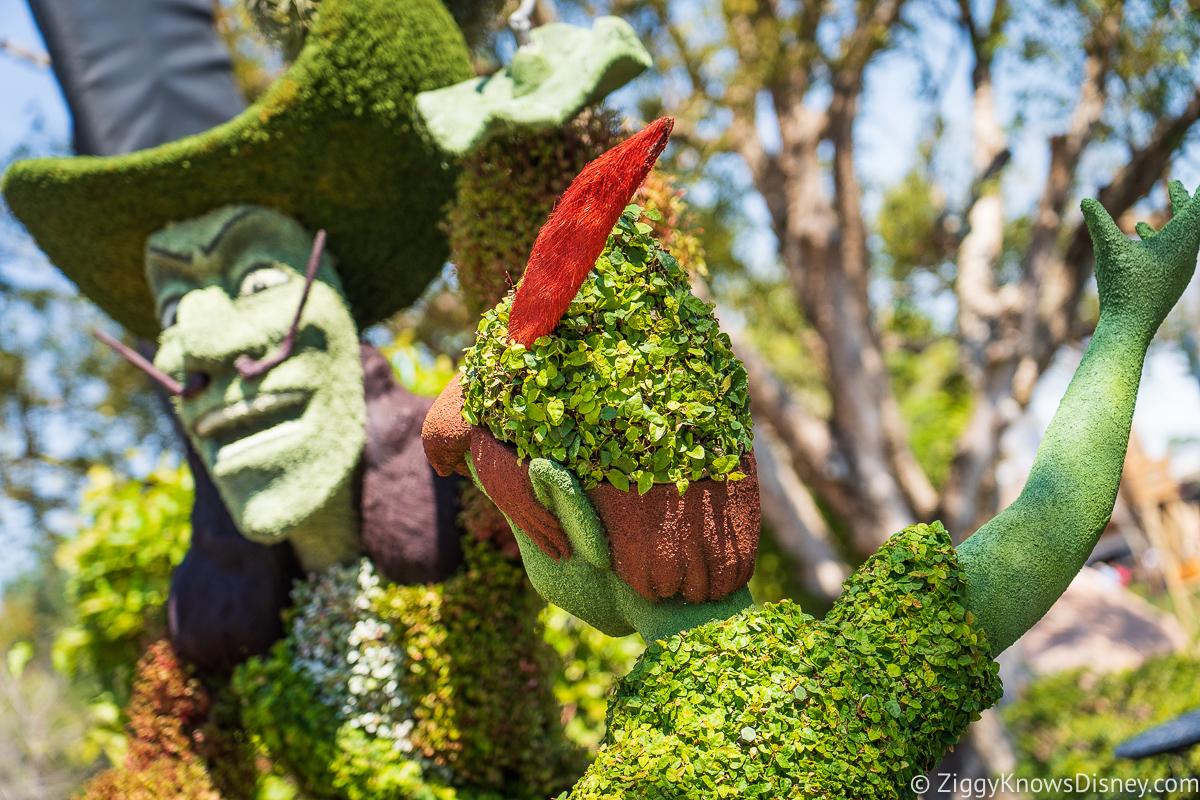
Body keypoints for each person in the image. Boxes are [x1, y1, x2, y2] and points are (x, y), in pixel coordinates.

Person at [424, 118, 1200, 796]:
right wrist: (1127, 321)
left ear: (569, 517)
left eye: (518, 519)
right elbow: (1055, 520)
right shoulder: (863, 678)